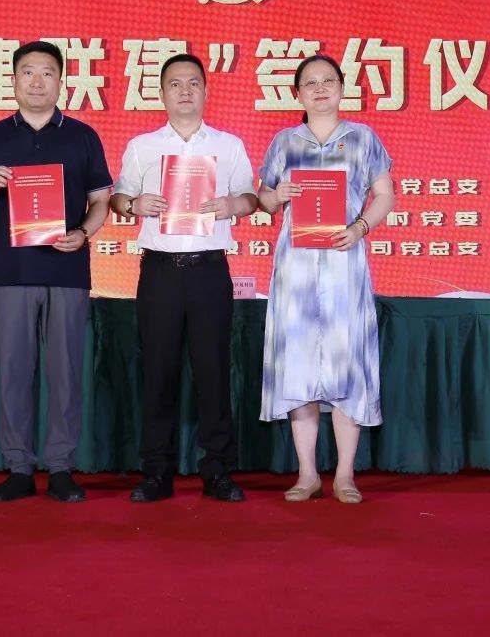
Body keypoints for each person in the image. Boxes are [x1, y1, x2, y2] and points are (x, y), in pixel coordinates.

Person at [0, 40, 112, 503]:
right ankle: (19, 467)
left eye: (47, 72)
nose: (38, 81)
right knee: (13, 371)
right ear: (14, 80)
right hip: (10, 272)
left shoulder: (82, 136)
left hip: (67, 269)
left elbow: (101, 200)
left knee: (65, 373)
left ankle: (61, 468)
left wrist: (83, 233)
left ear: (61, 80)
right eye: (28, 72)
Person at [110, 53, 258, 503]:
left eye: (193, 82)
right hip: (160, 272)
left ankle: (218, 471)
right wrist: (134, 205)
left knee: (213, 372)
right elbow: (118, 197)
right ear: (161, 94)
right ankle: (156, 472)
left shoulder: (229, 145)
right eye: (175, 84)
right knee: (158, 373)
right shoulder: (142, 146)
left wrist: (233, 206)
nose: (185, 91)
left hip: (209, 270)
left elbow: (251, 197)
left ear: (206, 91)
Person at [256, 54, 395, 504]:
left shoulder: (363, 138)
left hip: (343, 266)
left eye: (328, 80)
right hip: (296, 271)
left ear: (341, 88)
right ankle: (307, 474)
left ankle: (345, 475)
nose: (320, 88)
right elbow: (265, 199)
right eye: (310, 83)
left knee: (345, 366)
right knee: (299, 368)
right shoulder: (284, 141)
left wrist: (360, 227)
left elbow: (385, 194)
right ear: (297, 93)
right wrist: (277, 194)